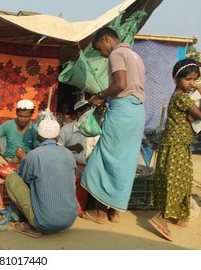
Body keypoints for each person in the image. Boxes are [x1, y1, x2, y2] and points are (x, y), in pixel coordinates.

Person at [80, 27, 146, 224]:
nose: (101, 53)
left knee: (106, 157)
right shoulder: (135, 55)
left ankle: (100, 212)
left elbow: (120, 84)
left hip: (122, 111)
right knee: (126, 160)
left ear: (106, 39)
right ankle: (115, 212)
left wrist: (100, 96)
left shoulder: (117, 54)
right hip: (137, 112)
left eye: (99, 48)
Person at [148, 59, 201, 241]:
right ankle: (160, 218)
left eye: (195, 80)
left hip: (176, 143)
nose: (192, 83)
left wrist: (191, 118)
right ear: (175, 79)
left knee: (178, 180)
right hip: (176, 145)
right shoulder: (182, 98)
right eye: (188, 79)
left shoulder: (179, 96)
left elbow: (192, 117)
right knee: (176, 182)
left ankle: (174, 214)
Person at [4, 119, 78, 237]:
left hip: (43, 223)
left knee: (11, 179)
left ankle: (32, 224)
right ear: (58, 137)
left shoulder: (34, 155)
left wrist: (24, 159)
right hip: (69, 221)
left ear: (37, 136)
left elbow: (25, 180)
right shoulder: (68, 153)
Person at [0, 99, 39, 166]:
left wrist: (25, 155)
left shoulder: (34, 129)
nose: (23, 119)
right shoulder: (9, 124)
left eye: (26, 117)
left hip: (25, 161)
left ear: (31, 115)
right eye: (20, 116)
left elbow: (38, 150)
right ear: (16, 113)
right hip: (7, 160)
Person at [58, 100, 99, 165]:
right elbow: (57, 152)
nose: (91, 117)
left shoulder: (96, 130)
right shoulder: (66, 130)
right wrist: (70, 148)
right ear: (79, 114)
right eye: (88, 115)